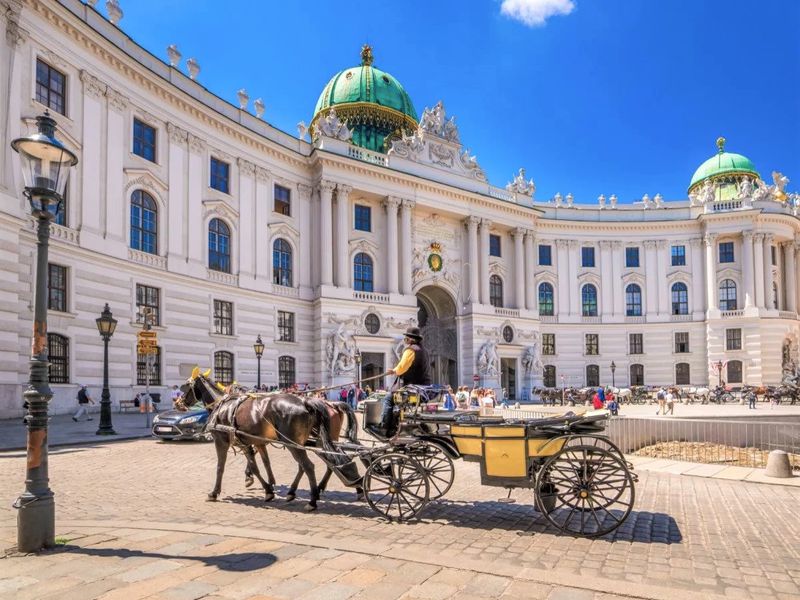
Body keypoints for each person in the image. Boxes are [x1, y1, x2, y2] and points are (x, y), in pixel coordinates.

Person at [378, 326, 431, 435]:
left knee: (388, 399)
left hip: (412, 386)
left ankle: (384, 427)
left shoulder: (411, 350)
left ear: (411, 339)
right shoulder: (424, 351)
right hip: (423, 386)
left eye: (406, 338)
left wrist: (394, 370)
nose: (405, 340)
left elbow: (402, 368)